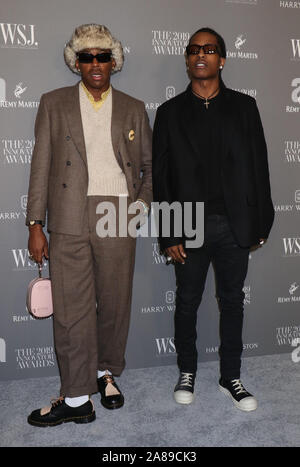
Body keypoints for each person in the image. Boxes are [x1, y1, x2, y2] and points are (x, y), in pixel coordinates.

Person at [26, 23, 152, 427]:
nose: (95, 64)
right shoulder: (54, 102)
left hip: (118, 211)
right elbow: (40, 165)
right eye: (86, 57)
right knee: (71, 310)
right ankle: (78, 397)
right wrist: (35, 223)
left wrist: (140, 208)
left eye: (102, 56)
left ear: (113, 62)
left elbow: (150, 167)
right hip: (67, 213)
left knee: (114, 302)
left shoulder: (133, 106)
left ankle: (105, 372)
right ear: (75, 62)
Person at [152, 27, 274, 411]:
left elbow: (259, 168)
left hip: (234, 224)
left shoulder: (244, 107)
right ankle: (186, 370)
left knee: (233, 302)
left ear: (222, 59)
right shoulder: (169, 113)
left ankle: (231, 377)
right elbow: (162, 178)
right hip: (187, 224)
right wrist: (169, 231)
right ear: (187, 60)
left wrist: (261, 222)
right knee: (187, 302)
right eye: (193, 50)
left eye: (209, 49)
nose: (200, 54)